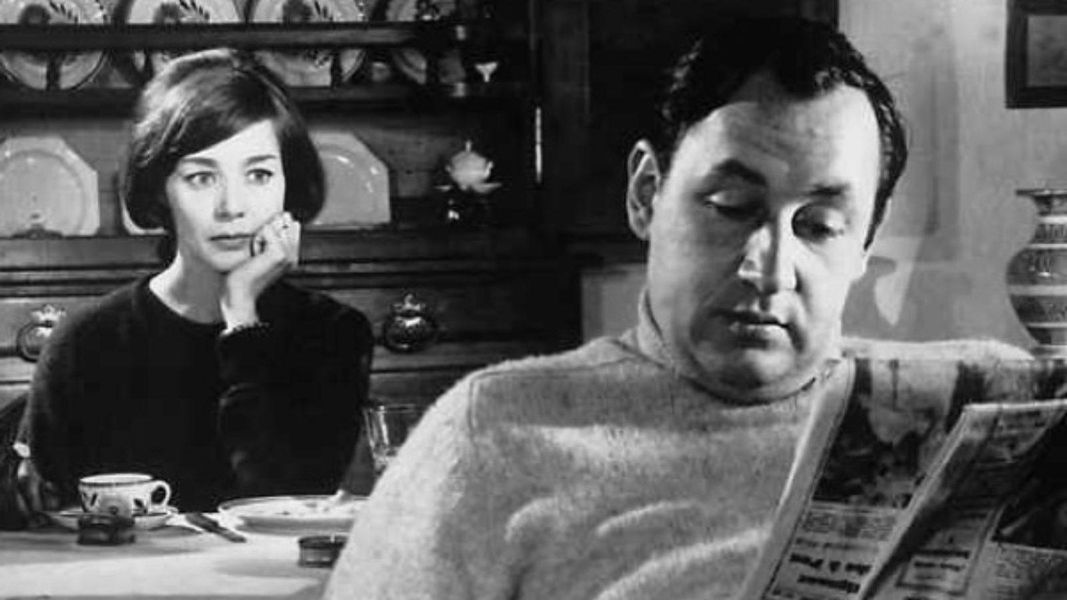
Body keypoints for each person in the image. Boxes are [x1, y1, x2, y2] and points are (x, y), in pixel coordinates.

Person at [323, 16, 1030, 600]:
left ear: (865, 243)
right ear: (646, 194)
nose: (769, 268)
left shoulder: (984, 408)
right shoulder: (493, 435)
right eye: (731, 206)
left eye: (818, 226)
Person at [10, 48, 374, 521]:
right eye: (202, 178)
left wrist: (241, 315)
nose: (232, 207)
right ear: (160, 189)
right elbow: (43, 523)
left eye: (259, 174)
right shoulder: (86, 341)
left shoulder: (333, 334)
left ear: (289, 184)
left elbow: (282, 510)